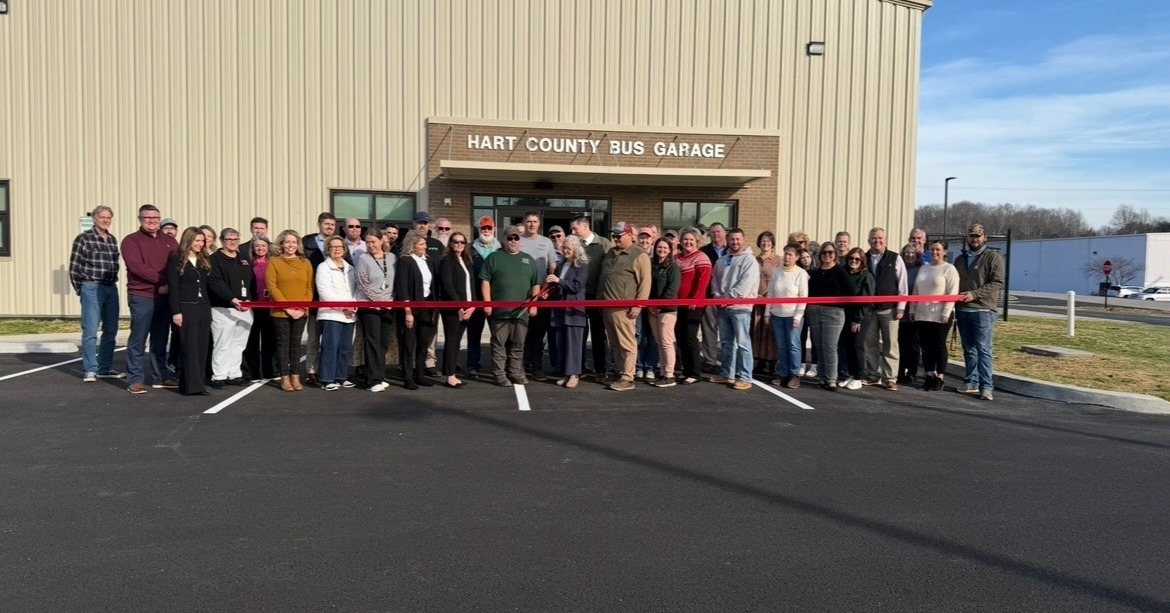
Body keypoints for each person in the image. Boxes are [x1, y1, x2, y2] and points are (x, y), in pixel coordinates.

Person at [122, 204, 179, 394]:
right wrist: (163, 281)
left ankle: (160, 376)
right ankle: (135, 379)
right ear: (140, 219)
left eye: (155, 218)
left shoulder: (170, 241)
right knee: (138, 338)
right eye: (148, 218)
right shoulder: (131, 241)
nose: (152, 221)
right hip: (142, 296)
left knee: (160, 339)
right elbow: (137, 267)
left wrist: (169, 284)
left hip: (164, 297)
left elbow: (178, 264)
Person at [480, 225, 541, 387]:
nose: (513, 241)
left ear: (520, 240)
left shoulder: (528, 259)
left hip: (522, 313)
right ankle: (499, 374)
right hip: (500, 312)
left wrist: (534, 305)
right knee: (499, 345)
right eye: (510, 238)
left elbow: (535, 284)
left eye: (516, 238)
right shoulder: (494, 258)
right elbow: (485, 282)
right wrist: (487, 303)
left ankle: (515, 372)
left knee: (518, 345)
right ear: (504, 239)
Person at [70, 206, 123, 382]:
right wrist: (81, 289)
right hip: (91, 286)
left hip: (110, 288)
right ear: (94, 219)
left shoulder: (112, 240)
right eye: (102, 217)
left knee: (111, 330)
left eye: (109, 217)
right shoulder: (83, 238)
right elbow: (74, 266)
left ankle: (104, 368)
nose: (106, 220)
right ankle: (90, 369)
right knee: (91, 330)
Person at [598, 222, 652, 391]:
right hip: (606, 306)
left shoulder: (639, 255)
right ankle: (620, 371)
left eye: (619, 236)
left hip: (624, 308)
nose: (615, 238)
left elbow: (645, 283)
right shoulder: (611, 253)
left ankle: (628, 377)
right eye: (614, 236)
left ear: (630, 235)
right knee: (615, 342)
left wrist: (638, 305)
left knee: (627, 343)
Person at [954, 223, 1005, 401]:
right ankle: (971, 382)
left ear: (985, 238)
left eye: (978, 236)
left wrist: (974, 294)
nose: (974, 239)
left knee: (983, 349)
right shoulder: (960, 259)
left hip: (983, 310)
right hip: (962, 310)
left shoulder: (992, 257)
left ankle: (986, 386)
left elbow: (998, 282)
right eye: (972, 236)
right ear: (967, 238)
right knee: (969, 349)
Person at [710, 228, 760, 390]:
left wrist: (726, 298)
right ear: (728, 240)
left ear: (743, 240)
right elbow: (715, 280)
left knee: (743, 343)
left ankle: (745, 377)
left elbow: (745, 285)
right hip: (723, 308)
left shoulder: (749, 261)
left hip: (741, 308)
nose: (735, 242)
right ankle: (727, 374)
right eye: (732, 239)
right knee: (726, 343)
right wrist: (718, 296)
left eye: (738, 239)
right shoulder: (722, 260)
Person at [167, 227, 213, 396]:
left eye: (202, 241)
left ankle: (196, 383)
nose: (201, 244)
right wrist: (176, 311)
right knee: (190, 347)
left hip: (203, 307)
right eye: (197, 240)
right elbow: (173, 287)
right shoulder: (176, 259)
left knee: (202, 346)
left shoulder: (203, 259)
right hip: (186, 307)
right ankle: (191, 386)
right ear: (189, 240)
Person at [207, 227, 255, 388]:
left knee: (239, 344)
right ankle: (218, 376)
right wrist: (232, 299)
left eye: (236, 239)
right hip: (223, 308)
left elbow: (250, 282)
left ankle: (234, 373)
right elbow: (215, 282)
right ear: (222, 241)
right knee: (223, 343)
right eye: (229, 239)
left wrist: (248, 300)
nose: (233, 242)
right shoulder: (214, 259)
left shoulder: (244, 259)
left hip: (244, 309)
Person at [861, 227, 908, 390]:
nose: (877, 241)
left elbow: (902, 284)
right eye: (874, 238)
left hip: (890, 310)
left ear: (885, 240)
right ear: (869, 241)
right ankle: (873, 375)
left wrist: (901, 307)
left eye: (880, 238)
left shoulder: (895, 258)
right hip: (869, 310)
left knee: (891, 344)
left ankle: (890, 378)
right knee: (870, 344)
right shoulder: (863, 258)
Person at [267, 230, 314, 392]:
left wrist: (301, 308)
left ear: (298, 244)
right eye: (287, 242)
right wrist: (287, 307)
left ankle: (295, 376)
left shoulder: (305, 263)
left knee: (296, 344)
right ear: (281, 244)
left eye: (294, 242)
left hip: (301, 311)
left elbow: (310, 287)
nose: (291, 245)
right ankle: (284, 377)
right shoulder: (274, 262)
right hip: (281, 312)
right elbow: (272, 287)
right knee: (283, 344)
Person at [910, 240, 960, 392]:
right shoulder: (924, 268)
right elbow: (916, 290)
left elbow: (952, 293)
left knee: (938, 345)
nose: (934, 252)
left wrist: (946, 313)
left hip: (939, 315)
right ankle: (929, 374)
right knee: (926, 347)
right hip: (922, 313)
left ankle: (940, 377)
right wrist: (912, 309)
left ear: (945, 252)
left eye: (938, 249)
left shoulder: (949, 269)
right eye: (932, 249)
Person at [569, 215, 613, 381]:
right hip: (578, 295)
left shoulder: (603, 244)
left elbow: (609, 269)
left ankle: (601, 369)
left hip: (596, 295)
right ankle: (578, 368)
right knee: (579, 333)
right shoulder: (575, 244)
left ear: (585, 227)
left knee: (598, 333)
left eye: (575, 229)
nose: (573, 232)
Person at [806, 242, 853, 390]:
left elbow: (850, 291)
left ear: (835, 254)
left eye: (830, 252)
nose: (827, 255)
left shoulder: (840, 271)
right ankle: (822, 377)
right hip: (814, 311)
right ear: (820, 255)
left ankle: (831, 379)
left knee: (830, 346)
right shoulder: (815, 272)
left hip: (833, 313)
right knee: (819, 346)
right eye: (824, 252)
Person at [396, 232, 440, 390]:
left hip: (427, 307)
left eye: (424, 244)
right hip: (411, 307)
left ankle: (420, 375)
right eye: (421, 244)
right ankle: (408, 377)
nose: (425, 247)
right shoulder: (405, 261)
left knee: (423, 342)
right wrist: (407, 311)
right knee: (408, 343)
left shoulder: (429, 260)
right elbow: (402, 287)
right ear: (412, 246)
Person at [355, 228, 396, 393]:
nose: (371, 245)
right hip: (369, 306)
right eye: (368, 242)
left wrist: (391, 300)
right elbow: (362, 284)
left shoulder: (392, 258)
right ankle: (372, 380)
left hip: (388, 305)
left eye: (374, 242)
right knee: (373, 341)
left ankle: (380, 375)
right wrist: (379, 301)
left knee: (383, 342)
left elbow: (395, 281)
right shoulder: (363, 259)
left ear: (381, 241)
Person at [519, 211, 557, 381]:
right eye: (529, 221)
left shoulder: (546, 242)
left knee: (538, 332)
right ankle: (521, 365)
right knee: (521, 331)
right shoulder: (518, 241)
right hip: (522, 292)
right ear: (524, 223)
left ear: (539, 223)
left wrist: (550, 286)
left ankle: (536, 366)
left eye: (535, 221)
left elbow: (553, 266)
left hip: (542, 293)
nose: (532, 224)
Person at [316, 235, 357, 391]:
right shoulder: (323, 267)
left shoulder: (350, 268)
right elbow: (325, 292)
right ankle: (327, 379)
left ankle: (341, 376)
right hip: (331, 314)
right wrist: (343, 308)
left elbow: (355, 290)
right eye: (333, 247)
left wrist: (353, 307)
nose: (337, 249)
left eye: (340, 247)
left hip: (350, 315)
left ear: (344, 249)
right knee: (330, 347)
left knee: (345, 347)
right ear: (328, 249)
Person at [763, 244, 808, 389]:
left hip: (792, 316)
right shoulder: (777, 272)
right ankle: (783, 373)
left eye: (790, 254)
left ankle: (794, 375)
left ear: (797, 257)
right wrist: (767, 312)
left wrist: (798, 316)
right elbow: (771, 293)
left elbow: (803, 296)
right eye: (786, 254)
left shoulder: (801, 273)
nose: (787, 257)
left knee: (793, 346)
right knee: (782, 346)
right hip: (777, 315)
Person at [301, 212, 338, 385]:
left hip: (334, 300)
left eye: (332, 224)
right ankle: (312, 370)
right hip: (315, 297)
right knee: (314, 338)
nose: (329, 227)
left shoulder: (339, 244)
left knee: (331, 340)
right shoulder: (307, 244)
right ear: (319, 225)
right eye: (326, 224)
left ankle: (328, 370)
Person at [548, 235, 589, 389]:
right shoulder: (561, 265)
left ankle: (574, 375)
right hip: (560, 309)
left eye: (568, 248)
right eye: (564, 248)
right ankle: (565, 373)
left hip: (574, 310)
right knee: (562, 342)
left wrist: (558, 281)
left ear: (576, 249)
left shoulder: (582, 265)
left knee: (574, 344)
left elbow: (576, 286)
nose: (565, 250)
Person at [674, 228, 712, 385]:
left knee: (690, 337)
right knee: (680, 336)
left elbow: (703, 281)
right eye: (685, 239)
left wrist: (695, 300)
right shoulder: (676, 257)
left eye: (691, 240)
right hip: (678, 304)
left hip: (693, 305)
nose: (688, 242)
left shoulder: (701, 257)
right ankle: (686, 370)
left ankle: (695, 373)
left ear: (697, 241)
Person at [438, 231, 476, 388]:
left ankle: (452, 371)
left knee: (457, 342)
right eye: (456, 242)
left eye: (462, 242)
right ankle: (450, 376)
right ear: (450, 243)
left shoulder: (466, 260)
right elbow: (447, 286)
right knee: (452, 341)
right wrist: (458, 305)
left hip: (467, 307)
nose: (459, 244)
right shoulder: (447, 261)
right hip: (453, 309)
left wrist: (473, 305)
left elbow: (471, 285)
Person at [466, 215, 500, 379]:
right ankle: (473, 365)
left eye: (489, 228)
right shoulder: (469, 249)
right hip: (476, 299)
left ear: (494, 229)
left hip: (497, 299)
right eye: (483, 228)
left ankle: (498, 366)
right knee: (474, 334)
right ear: (479, 229)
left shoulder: (501, 249)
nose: (486, 231)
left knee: (498, 335)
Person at [242, 235, 277, 383]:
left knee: (270, 340)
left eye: (263, 245)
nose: (260, 248)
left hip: (269, 306)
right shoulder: (247, 263)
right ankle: (253, 372)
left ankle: (270, 371)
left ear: (268, 247)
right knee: (252, 341)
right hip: (253, 306)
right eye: (257, 246)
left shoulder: (273, 262)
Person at [840, 247, 875, 391]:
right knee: (848, 344)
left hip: (861, 315)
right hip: (846, 314)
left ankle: (859, 377)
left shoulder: (867, 276)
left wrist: (857, 319)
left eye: (857, 259)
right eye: (851, 258)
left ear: (862, 261)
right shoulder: (844, 273)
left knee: (857, 345)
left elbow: (866, 300)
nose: (853, 261)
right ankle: (852, 374)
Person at [647, 238, 680, 388]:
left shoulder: (673, 267)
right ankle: (662, 373)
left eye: (665, 248)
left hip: (667, 310)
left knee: (667, 343)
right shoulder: (651, 265)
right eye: (659, 247)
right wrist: (651, 306)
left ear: (670, 250)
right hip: (652, 309)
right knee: (659, 342)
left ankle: (669, 375)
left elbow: (671, 290)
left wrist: (658, 306)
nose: (662, 250)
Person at [699, 222, 727, 372]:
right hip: (709, 296)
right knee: (709, 330)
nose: (716, 234)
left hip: (729, 298)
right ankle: (710, 360)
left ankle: (728, 361)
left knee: (727, 331)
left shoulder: (732, 250)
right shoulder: (704, 251)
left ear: (724, 233)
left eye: (718, 231)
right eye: (713, 232)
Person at [752, 231, 780, 377]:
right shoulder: (754, 260)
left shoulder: (778, 260)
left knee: (771, 332)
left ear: (772, 243)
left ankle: (772, 363)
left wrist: (769, 294)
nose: (765, 243)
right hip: (757, 302)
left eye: (768, 241)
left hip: (772, 301)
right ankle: (760, 361)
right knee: (759, 331)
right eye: (763, 240)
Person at [897, 242, 925, 384]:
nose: (909, 255)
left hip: (914, 313)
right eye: (906, 252)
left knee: (913, 345)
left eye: (912, 253)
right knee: (900, 344)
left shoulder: (921, 270)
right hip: (900, 313)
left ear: (917, 255)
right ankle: (900, 371)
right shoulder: (898, 269)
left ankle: (912, 372)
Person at [634, 227, 659, 381]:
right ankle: (638, 366)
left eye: (647, 238)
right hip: (637, 301)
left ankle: (650, 366)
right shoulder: (634, 254)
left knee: (652, 336)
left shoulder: (657, 256)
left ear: (652, 240)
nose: (644, 240)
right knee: (638, 335)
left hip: (653, 303)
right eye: (642, 237)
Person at [797, 246, 817, 379]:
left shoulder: (816, 272)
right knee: (801, 337)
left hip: (813, 308)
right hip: (801, 309)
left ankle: (814, 365)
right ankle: (802, 363)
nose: (805, 260)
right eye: (803, 258)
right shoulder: (798, 272)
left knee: (815, 338)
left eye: (807, 257)